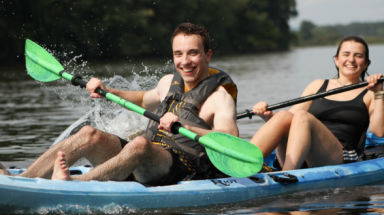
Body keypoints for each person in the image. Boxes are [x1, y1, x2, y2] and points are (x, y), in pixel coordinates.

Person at [0, 23, 239, 185]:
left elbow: (230, 140)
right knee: (89, 134)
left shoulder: (220, 97)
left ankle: (72, 185)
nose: (184, 61)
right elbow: (145, 99)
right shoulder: (168, 81)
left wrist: (186, 126)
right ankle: (18, 180)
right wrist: (108, 92)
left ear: (207, 55)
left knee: (140, 144)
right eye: (178, 54)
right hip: (145, 158)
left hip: (180, 167)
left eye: (193, 53)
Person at [250, 36, 384, 171]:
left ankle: (286, 174)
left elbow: (379, 132)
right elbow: (286, 121)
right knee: (284, 115)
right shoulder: (317, 86)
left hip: (343, 157)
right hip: (303, 153)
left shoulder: (371, 92)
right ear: (337, 60)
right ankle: (244, 161)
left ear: (366, 63)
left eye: (358, 55)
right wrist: (267, 116)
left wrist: (379, 92)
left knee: (302, 116)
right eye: (346, 54)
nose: (351, 59)